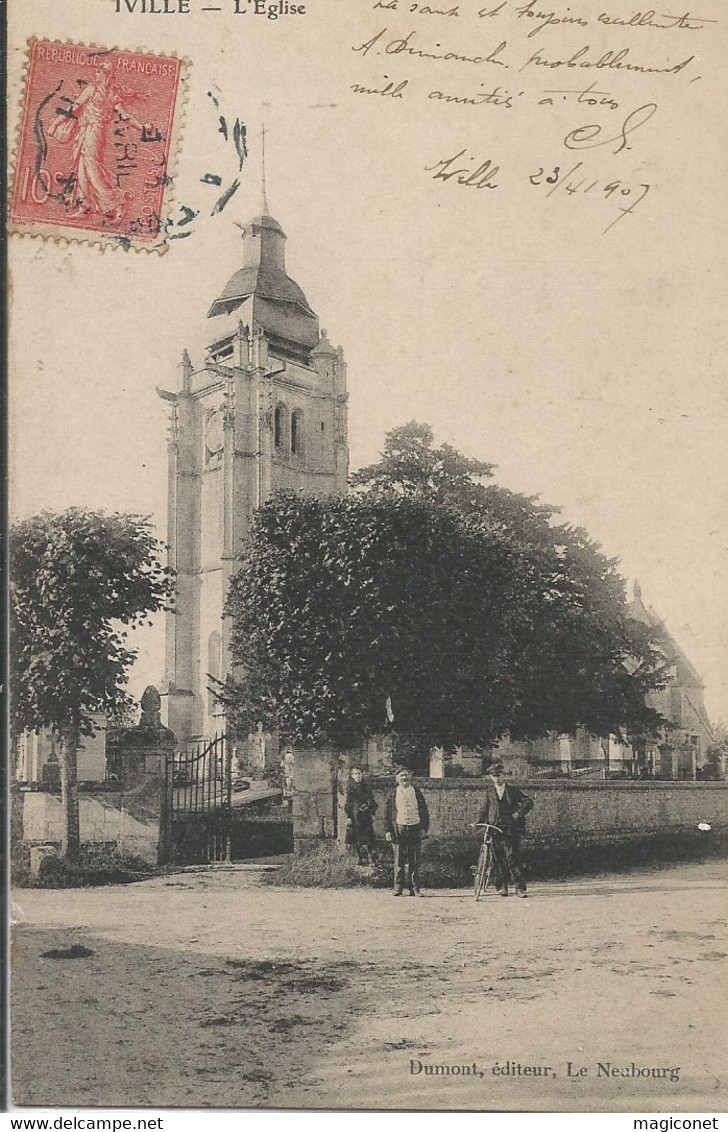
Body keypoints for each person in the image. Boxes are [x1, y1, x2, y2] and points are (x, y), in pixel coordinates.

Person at [48, 59, 147, 220]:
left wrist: (142, 128)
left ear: (106, 75)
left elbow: (73, 109)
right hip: (86, 131)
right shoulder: (102, 92)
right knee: (81, 169)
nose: (96, 74)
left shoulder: (99, 92)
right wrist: (55, 123)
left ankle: (117, 201)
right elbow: (74, 108)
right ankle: (84, 205)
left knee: (91, 169)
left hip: (93, 131)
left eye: (99, 71)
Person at [476, 761, 534, 898]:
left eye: (499, 775)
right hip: (494, 828)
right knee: (498, 859)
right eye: (493, 776)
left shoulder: (512, 790)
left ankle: (519, 888)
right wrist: (478, 822)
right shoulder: (489, 792)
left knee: (512, 857)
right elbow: (484, 809)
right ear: (491, 777)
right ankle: (503, 887)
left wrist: (518, 814)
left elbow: (528, 801)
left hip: (510, 828)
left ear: (504, 775)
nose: (496, 778)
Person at [384, 766, 430, 896]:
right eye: (401, 776)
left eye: (406, 775)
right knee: (399, 860)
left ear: (410, 777)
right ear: (397, 779)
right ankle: (398, 888)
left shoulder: (416, 792)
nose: (404, 778)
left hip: (415, 827)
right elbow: (387, 814)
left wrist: (423, 828)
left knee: (414, 860)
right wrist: (388, 830)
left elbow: (424, 812)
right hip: (399, 828)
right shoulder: (393, 794)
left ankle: (415, 888)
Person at [344, 767, 378, 865]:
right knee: (357, 837)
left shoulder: (366, 787)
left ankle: (372, 858)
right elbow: (348, 804)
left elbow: (372, 801)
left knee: (369, 837)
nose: (358, 776)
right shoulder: (351, 788)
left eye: (359, 773)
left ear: (362, 774)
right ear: (352, 776)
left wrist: (372, 812)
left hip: (366, 815)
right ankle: (360, 858)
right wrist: (349, 817)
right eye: (355, 774)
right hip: (356, 816)